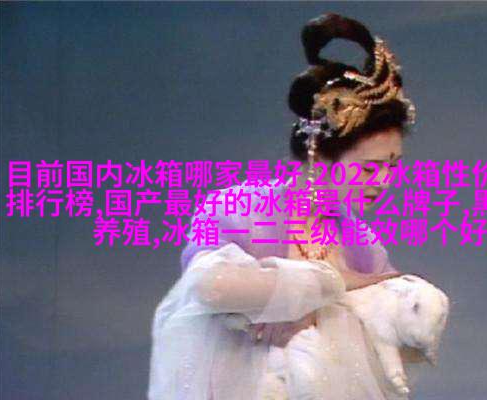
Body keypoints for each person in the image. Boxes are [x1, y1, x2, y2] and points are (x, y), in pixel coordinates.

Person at [148, 13, 422, 400]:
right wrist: (327, 284)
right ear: (319, 154)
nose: (383, 181)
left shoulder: (359, 241)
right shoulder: (239, 208)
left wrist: (312, 306)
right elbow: (209, 287)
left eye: (391, 167)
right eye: (368, 168)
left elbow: (404, 330)